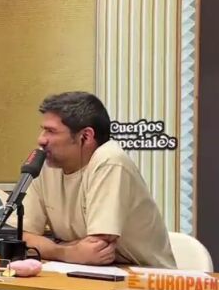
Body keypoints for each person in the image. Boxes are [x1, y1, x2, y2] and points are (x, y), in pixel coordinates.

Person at [22, 92, 176, 268]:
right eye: (43, 130)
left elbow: (98, 249)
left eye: (51, 131)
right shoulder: (44, 164)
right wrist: (67, 252)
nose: (41, 139)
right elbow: (24, 237)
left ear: (86, 136)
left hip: (145, 275)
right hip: (81, 270)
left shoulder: (110, 160)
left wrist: (53, 247)